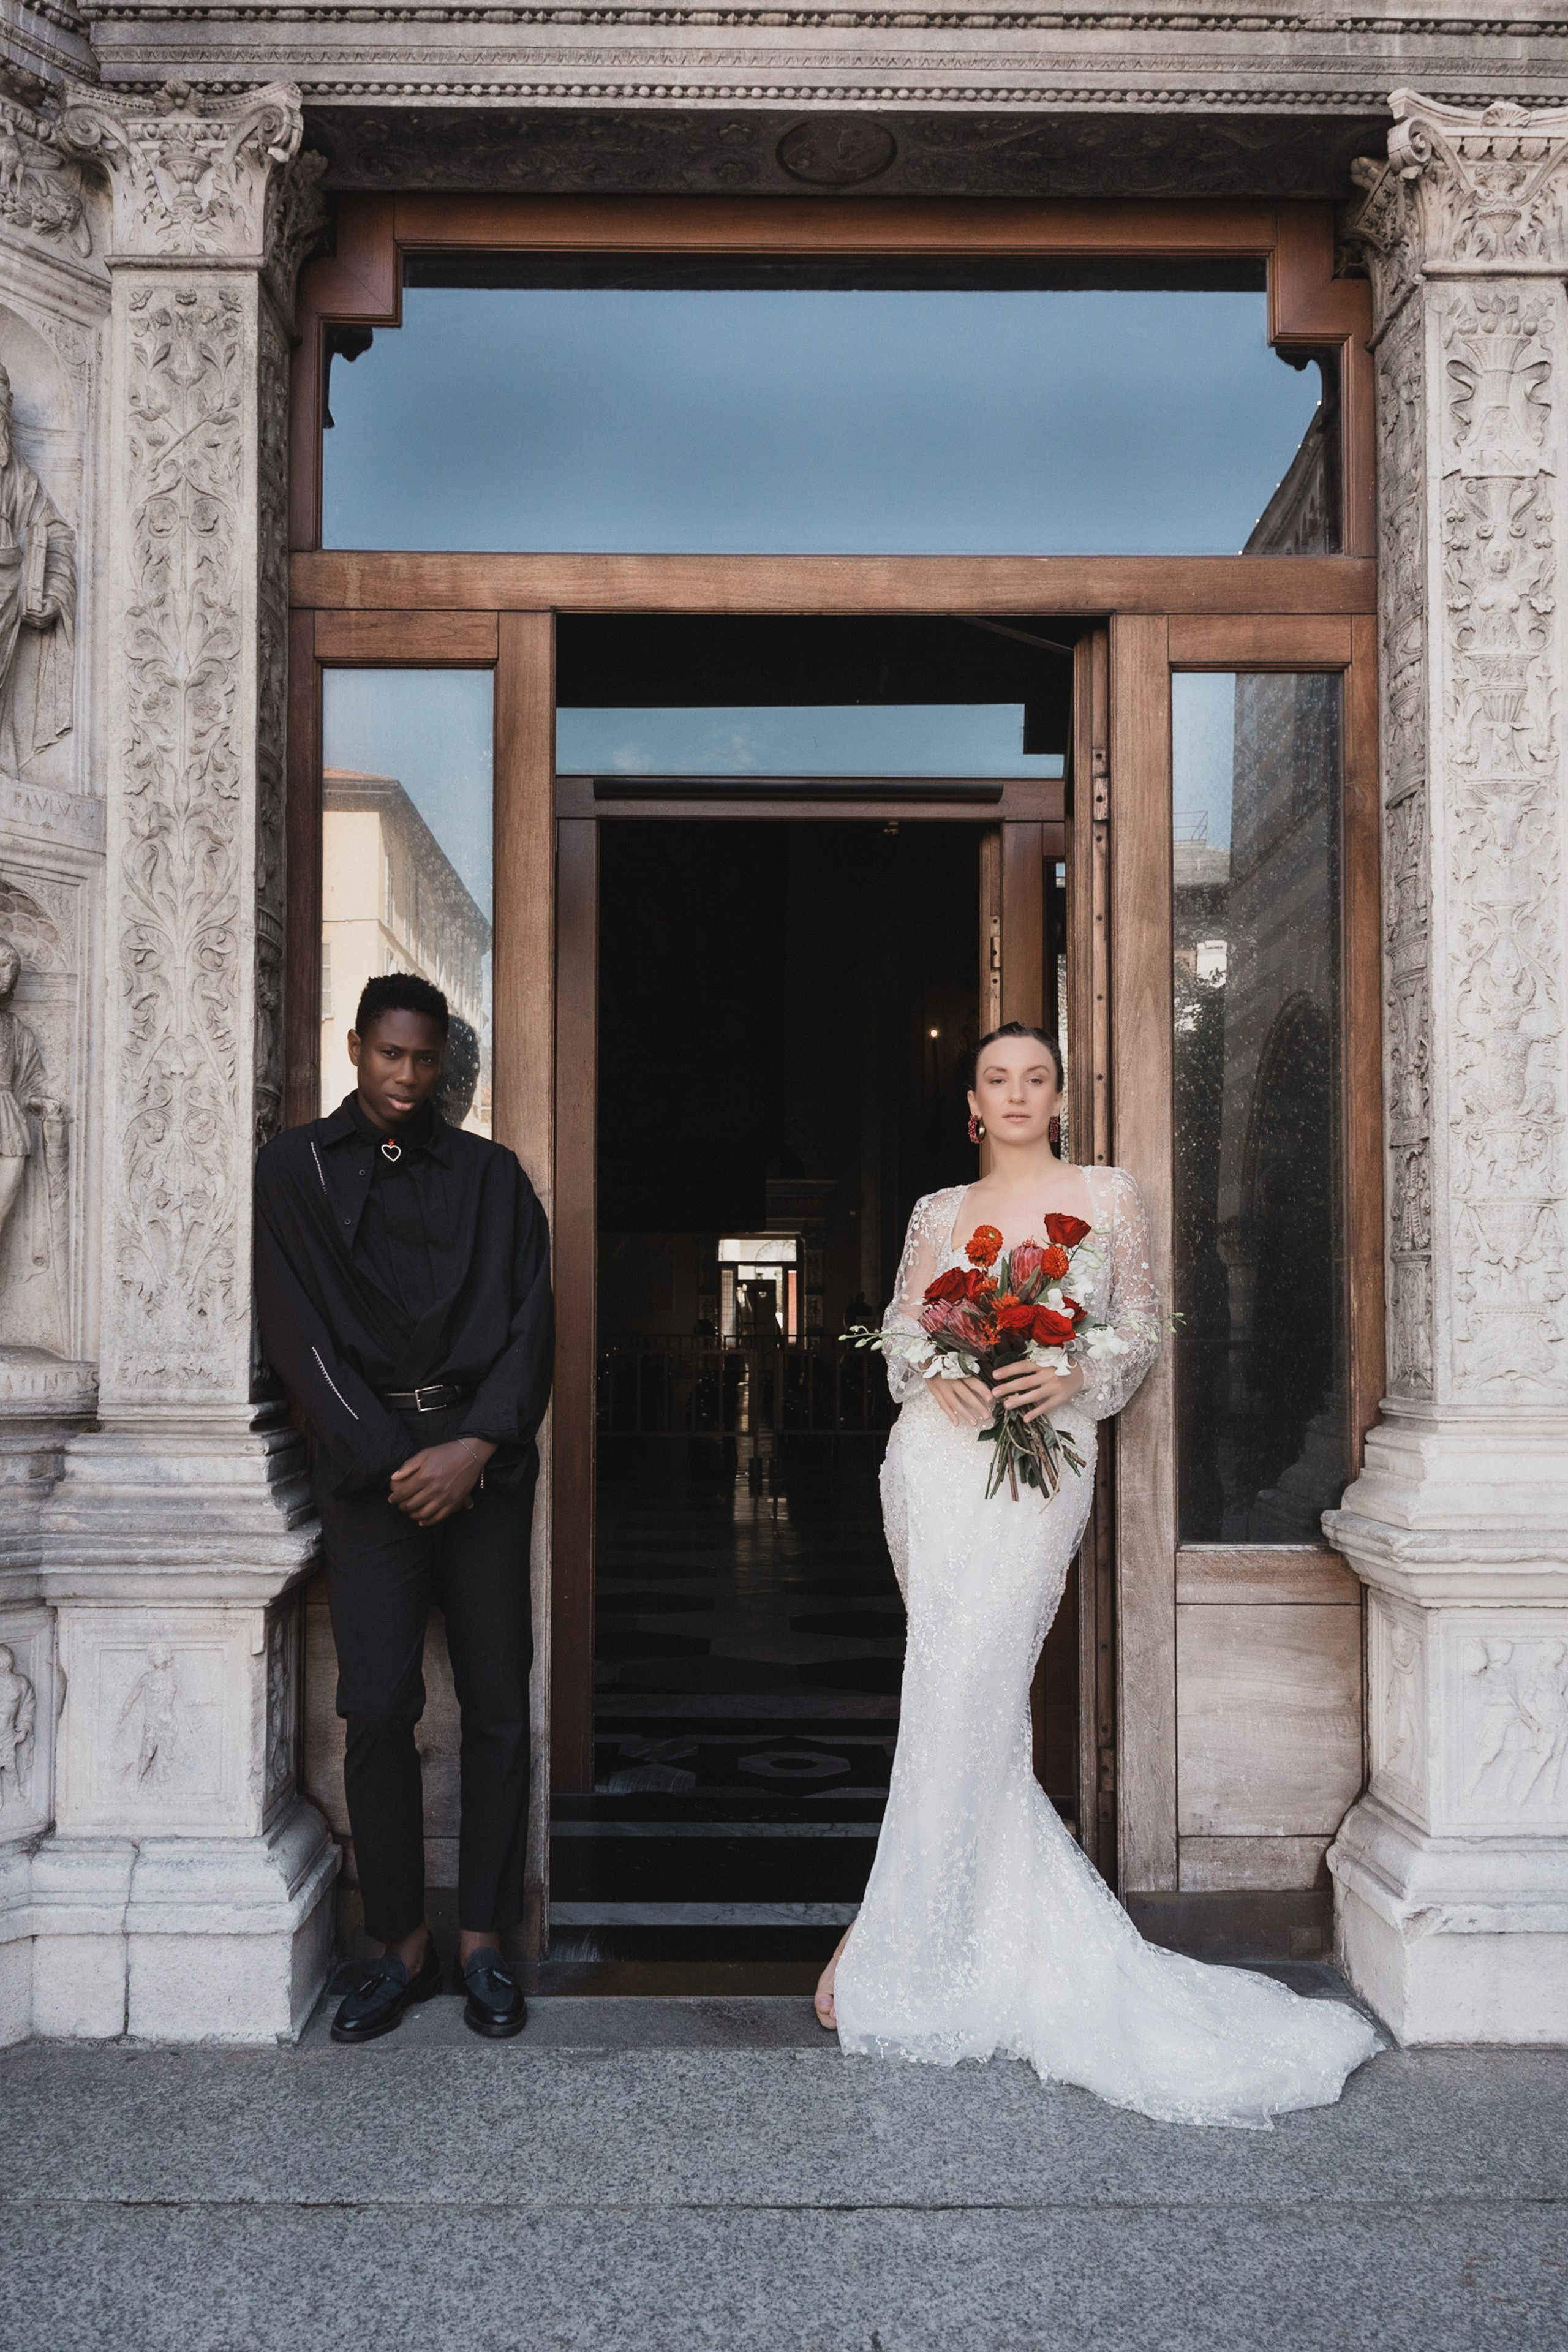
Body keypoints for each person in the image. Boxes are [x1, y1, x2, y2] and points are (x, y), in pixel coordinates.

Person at [814, 1022, 1381, 2127]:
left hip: (1039, 1469)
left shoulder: (1108, 1195)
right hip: (933, 1467)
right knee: (948, 1688)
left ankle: (881, 1936)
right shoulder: (940, 1212)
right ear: (972, 1103)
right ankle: (920, 1927)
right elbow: (894, 1332)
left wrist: (1066, 1361)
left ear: (1060, 1094)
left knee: (969, 1687)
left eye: (1036, 1077)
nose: (1018, 1093)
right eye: (998, 1079)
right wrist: (934, 1368)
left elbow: (1136, 1340)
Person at [255, 973, 551, 2045]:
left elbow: (532, 1325)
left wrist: (471, 1448)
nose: (407, 1077)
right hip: (368, 1471)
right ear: (355, 1048)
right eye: (390, 1056)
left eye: (425, 1060)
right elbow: (297, 1335)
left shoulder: (494, 1178)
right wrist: (395, 1463)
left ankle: (483, 1944)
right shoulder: (295, 1170)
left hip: (482, 1464)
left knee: (498, 1709)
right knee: (376, 1708)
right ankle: (399, 1946)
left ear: (443, 1065)